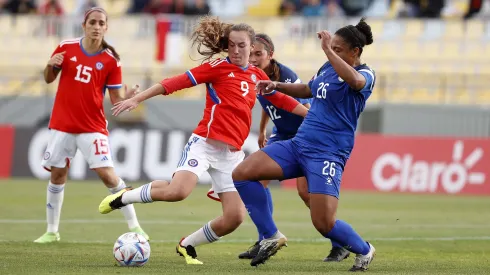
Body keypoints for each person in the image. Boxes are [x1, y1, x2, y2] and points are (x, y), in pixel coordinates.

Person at [97, 16, 309, 265]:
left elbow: (283, 100)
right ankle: (125, 197)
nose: (237, 50)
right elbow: (173, 83)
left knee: (234, 219)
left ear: (252, 47)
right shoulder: (217, 68)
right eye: (232, 45)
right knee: (178, 192)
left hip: (231, 156)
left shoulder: (256, 76)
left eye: (242, 45)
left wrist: (315, 117)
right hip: (205, 144)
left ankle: (187, 245)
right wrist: (137, 99)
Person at [231, 18, 377, 271]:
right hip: (299, 144)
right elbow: (308, 89)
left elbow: (354, 82)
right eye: (334, 48)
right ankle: (269, 236)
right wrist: (276, 85)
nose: (334, 52)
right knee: (243, 173)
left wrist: (329, 51)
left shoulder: (366, 74)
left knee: (324, 223)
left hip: (328, 154)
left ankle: (364, 250)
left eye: (340, 49)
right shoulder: (327, 68)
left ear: (356, 52)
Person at [34, 7, 149, 243]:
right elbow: (48, 78)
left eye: (101, 23)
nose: (96, 27)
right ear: (84, 25)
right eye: (92, 22)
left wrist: (127, 97)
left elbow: (116, 101)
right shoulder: (66, 47)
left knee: (108, 176)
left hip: (92, 127)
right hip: (62, 125)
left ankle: (136, 227)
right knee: (57, 175)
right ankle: (52, 231)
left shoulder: (111, 60)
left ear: (106, 28)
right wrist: (50, 64)